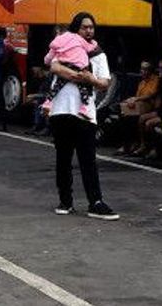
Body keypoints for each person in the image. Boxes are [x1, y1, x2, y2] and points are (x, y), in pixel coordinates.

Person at [47, 12, 118, 220]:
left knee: (88, 159)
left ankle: (95, 202)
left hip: (84, 114)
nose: (89, 30)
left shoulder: (98, 54)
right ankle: (65, 201)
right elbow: (53, 65)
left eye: (91, 27)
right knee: (63, 159)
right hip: (60, 110)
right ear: (76, 28)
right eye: (84, 27)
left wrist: (89, 78)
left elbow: (105, 83)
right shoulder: (66, 45)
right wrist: (75, 75)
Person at [42, 26, 100, 120]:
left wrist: (47, 62)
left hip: (64, 65)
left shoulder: (56, 42)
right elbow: (89, 48)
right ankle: (84, 108)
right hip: (79, 66)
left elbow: (49, 57)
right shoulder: (77, 38)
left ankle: (48, 103)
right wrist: (94, 43)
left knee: (57, 85)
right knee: (84, 88)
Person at [115, 60, 161, 156]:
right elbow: (138, 97)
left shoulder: (156, 80)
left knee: (138, 119)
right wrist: (132, 101)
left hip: (151, 107)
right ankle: (128, 145)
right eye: (142, 69)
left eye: (145, 69)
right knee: (124, 116)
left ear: (150, 70)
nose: (143, 72)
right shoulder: (141, 83)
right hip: (141, 107)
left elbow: (151, 94)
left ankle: (142, 145)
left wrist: (136, 99)